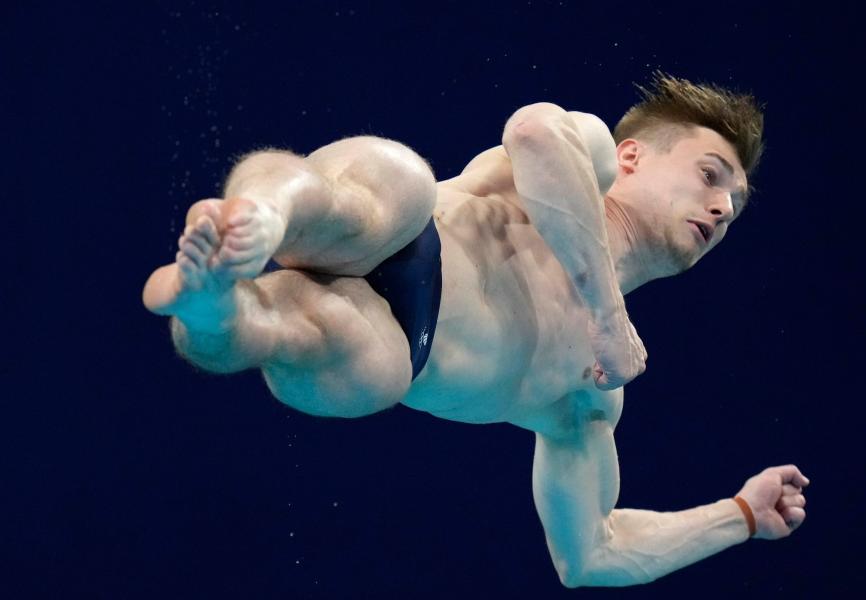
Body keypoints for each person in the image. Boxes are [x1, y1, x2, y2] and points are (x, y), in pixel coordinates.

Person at [143, 73, 809, 587]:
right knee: (385, 191)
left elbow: (592, 554)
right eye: (709, 175)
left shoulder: (590, 397)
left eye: (736, 206)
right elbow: (533, 134)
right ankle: (261, 213)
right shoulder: (597, 155)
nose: (721, 207)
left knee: (341, 361)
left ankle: (208, 306)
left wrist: (740, 516)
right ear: (635, 157)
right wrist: (607, 318)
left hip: (402, 342)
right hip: (417, 230)